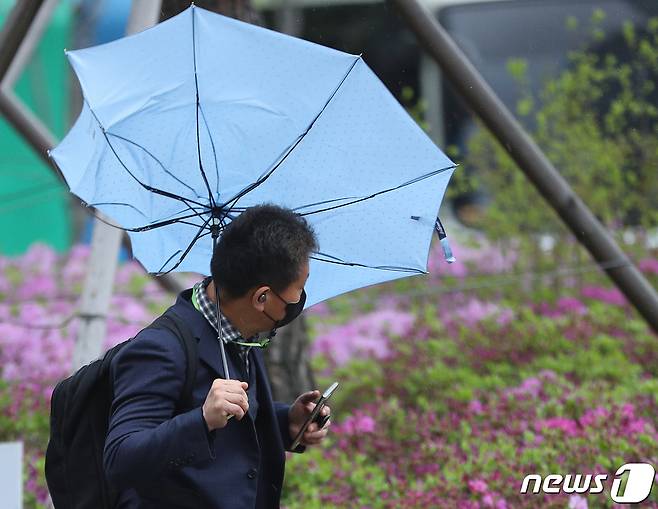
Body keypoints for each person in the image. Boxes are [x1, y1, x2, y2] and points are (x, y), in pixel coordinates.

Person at [104, 204, 331, 509]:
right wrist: (201, 420)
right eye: (297, 291)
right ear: (261, 298)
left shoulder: (242, 331)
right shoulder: (161, 348)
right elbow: (121, 458)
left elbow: (234, 426)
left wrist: (286, 422)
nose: (298, 301)